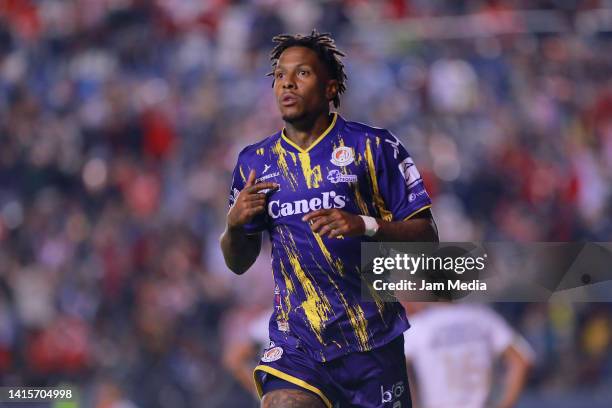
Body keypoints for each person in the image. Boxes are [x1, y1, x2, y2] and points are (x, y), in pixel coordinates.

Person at [220, 30, 438, 408]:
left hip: (372, 340)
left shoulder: (373, 147)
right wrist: (234, 225)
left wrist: (365, 225)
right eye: (279, 75)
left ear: (329, 87)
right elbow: (238, 263)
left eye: (302, 73)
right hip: (298, 343)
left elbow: (427, 238)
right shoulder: (254, 163)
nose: (286, 82)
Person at [403, 303, 534, 408]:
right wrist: (506, 404)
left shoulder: (419, 326)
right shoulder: (483, 317)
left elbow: (394, 368)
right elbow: (521, 360)